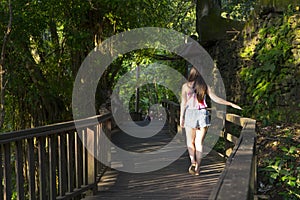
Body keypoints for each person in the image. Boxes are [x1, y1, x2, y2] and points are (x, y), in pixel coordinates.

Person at [180, 67, 242, 176]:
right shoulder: (204, 86)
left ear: (191, 74)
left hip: (190, 113)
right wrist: (230, 104)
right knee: (199, 143)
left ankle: (193, 161)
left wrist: (182, 117)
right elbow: (215, 98)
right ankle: (198, 168)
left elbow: (183, 103)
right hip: (202, 114)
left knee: (191, 142)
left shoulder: (185, 86)